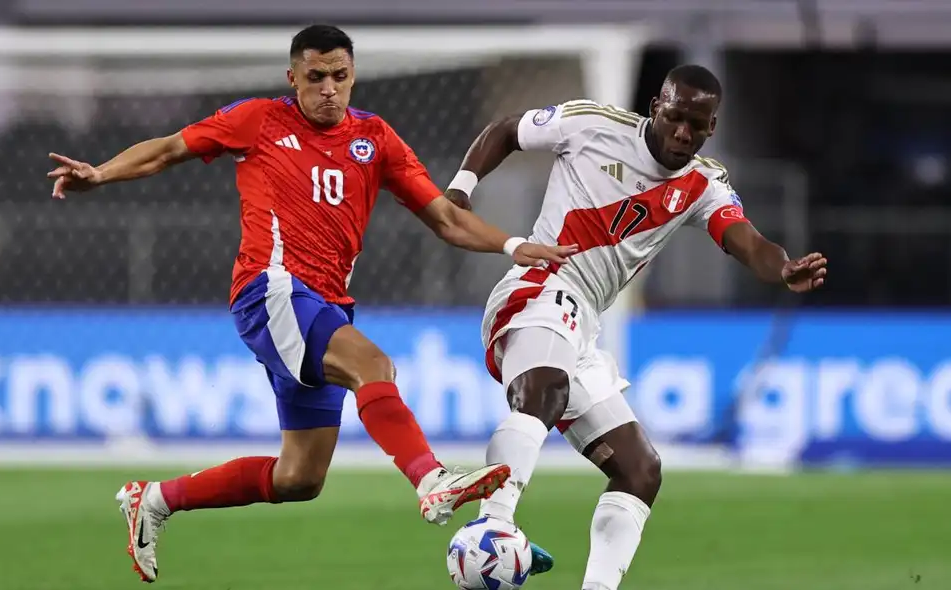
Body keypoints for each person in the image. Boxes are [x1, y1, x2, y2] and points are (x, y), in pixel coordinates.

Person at [46, 24, 576, 584]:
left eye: (340, 77)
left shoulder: (376, 138)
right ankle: (430, 480)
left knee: (299, 477)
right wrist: (100, 173)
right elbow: (170, 149)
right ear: (292, 77)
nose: (328, 88)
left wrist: (515, 245)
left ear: (353, 77)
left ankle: (153, 500)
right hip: (269, 289)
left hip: (324, 306)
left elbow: (445, 217)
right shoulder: (259, 119)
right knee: (372, 365)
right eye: (316, 77)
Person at [443, 64, 828, 588]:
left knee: (640, 470)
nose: (682, 134)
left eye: (697, 124)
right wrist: (462, 189)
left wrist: (781, 268)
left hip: (582, 326)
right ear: (655, 107)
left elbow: (747, 241)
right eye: (674, 118)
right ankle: (493, 521)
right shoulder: (589, 124)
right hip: (538, 288)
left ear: (712, 126)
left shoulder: (701, 184)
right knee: (545, 389)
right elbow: (508, 130)